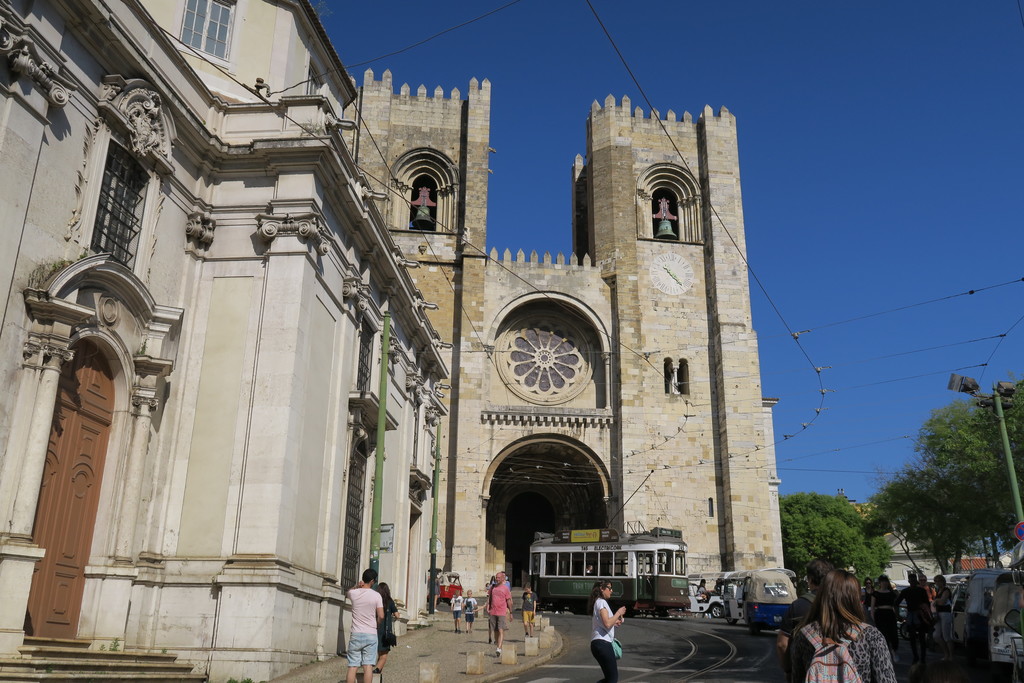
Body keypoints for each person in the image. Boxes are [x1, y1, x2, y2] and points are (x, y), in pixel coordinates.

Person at [788, 569, 897, 683]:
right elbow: (886, 679)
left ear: (822, 596)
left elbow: (797, 678)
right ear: (855, 598)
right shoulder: (871, 636)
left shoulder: (804, 635)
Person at [776, 557, 834, 681]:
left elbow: (782, 644)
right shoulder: (841, 602)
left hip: (806, 670)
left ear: (810, 580)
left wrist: (788, 670)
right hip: (841, 670)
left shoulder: (797, 606)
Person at [345, 568, 384, 683]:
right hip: (370, 633)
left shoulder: (353, 593)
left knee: (352, 666)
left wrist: (357, 586)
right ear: (372, 581)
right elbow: (381, 615)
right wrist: (377, 623)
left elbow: (348, 592)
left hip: (356, 633)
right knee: (368, 666)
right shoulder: (376, 596)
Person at [589, 581, 626, 683]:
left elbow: (605, 623)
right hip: (603, 643)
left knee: (610, 678)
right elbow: (607, 623)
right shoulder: (601, 602)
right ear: (602, 588)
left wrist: (616, 622)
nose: (611, 591)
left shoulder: (598, 602)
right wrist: (619, 612)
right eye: (609, 588)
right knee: (612, 679)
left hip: (598, 643)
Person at [895, 573, 932, 664]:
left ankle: (917, 656)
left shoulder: (906, 591)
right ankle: (921, 657)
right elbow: (927, 604)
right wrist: (928, 615)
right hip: (919, 615)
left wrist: (898, 615)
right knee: (921, 638)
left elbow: (896, 603)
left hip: (912, 615)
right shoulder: (921, 590)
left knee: (913, 638)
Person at [871, 575, 900, 661]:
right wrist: (873, 618)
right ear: (879, 583)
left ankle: (894, 651)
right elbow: (872, 607)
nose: (884, 583)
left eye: (885, 581)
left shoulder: (892, 593)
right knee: (884, 635)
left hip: (890, 614)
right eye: (882, 581)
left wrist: (897, 615)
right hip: (880, 614)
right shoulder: (875, 593)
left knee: (893, 634)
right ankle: (887, 653)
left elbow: (895, 606)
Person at [373, 582, 399, 675]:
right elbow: (397, 615)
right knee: (384, 655)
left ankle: (376, 672)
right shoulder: (390, 601)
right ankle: (377, 670)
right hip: (386, 632)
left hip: (375, 630)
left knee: (378, 653)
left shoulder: (376, 600)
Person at [487, 570, 513, 657]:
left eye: (498, 578)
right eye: (496, 577)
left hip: (501, 612)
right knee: (495, 630)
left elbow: (509, 601)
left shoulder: (505, 588)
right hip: (493, 611)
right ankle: (497, 644)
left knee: (501, 629)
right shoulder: (492, 587)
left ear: (502, 579)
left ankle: (499, 648)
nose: (497, 579)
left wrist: (511, 612)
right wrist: (488, 606)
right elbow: (490, 597)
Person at [931, 574, 954, 661]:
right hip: (938, 613)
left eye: (937, 581)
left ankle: (951, 656)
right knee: (936, 635)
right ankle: (946, 653)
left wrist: (936, 601)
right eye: (935, 581)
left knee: (946, 636)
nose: (936, 583)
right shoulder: (938, 591)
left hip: (945, 613)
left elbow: (942, 602)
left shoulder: (946, 590)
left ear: (942, 581)